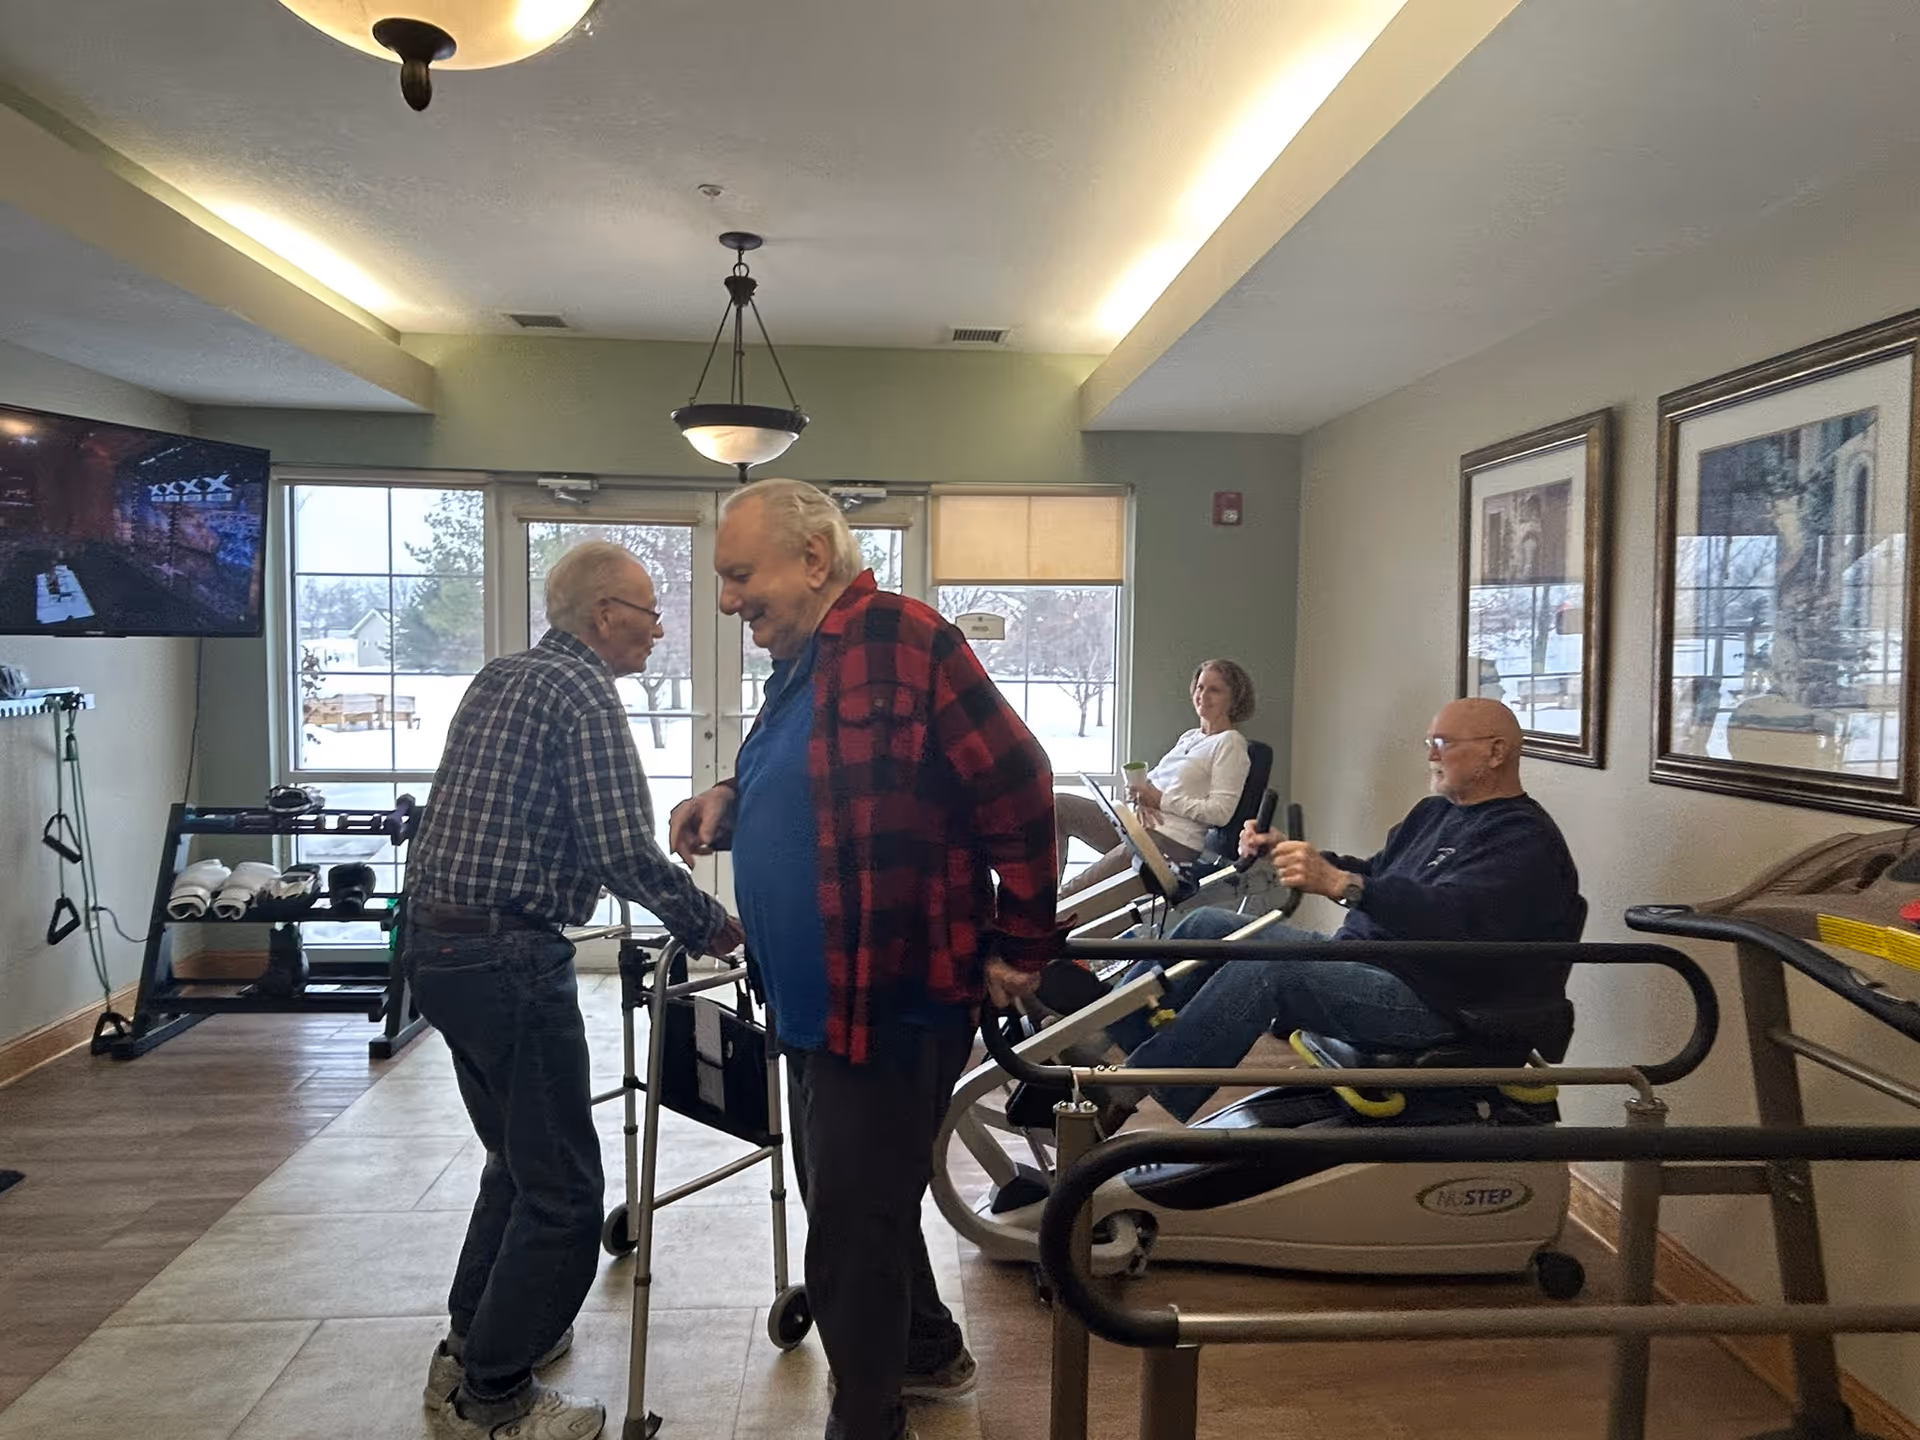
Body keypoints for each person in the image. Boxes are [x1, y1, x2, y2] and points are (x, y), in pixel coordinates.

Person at [669, 479, 1057, 1440]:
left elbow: (1019, 782)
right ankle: (926, 1351)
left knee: (849, 1213)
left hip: (888, 992)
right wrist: (730, 795)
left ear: (811, 559)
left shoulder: (901, 638)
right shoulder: (807, 664)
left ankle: (870, 1416)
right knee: (857, 1196)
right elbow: (813, 773)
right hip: (814, 998)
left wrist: (1022, 942)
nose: (727, 602)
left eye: (738, 575)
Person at [406, 540, 744, 1440]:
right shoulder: (582, 690)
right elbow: (621, 849)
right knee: (563, 1192)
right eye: (647, 612)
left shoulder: (500, 677)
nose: (660, 629)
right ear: (604, 617)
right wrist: (711, 925)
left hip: (438, 947)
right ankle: (496, 1399)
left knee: (516, 1165)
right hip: (508, 960)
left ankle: (473, 1344)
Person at [1095, 697, 1581, 1125]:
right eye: (1429, 742)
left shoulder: (1524, 840)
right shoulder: (1434, 813)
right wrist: (1296, 857)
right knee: (1207, 926)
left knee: (1266, 973)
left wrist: (1342, 884)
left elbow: (1451, 915)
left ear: (1496, 753)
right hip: (1369, 960)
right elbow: (1376, 873)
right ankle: (1098, 1042)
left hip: (1438, 1003)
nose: (1430, 755)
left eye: (1443, 743)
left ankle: (1117, 1095)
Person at [1055, 659, 1255, 900]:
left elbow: (1221, 812)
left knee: (1074, 893)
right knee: (1059, 806)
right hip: (1138, 826)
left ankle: (1052, 911)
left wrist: (1160, 800)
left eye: (1214, 690)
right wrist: (1141, 796)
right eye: (1200, 687)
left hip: (1171, 842)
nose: (1203, 695)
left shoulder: (1230, 743)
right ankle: (1041, 890)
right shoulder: (1190, 737)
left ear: (1234, 698)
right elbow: (1159, 783)